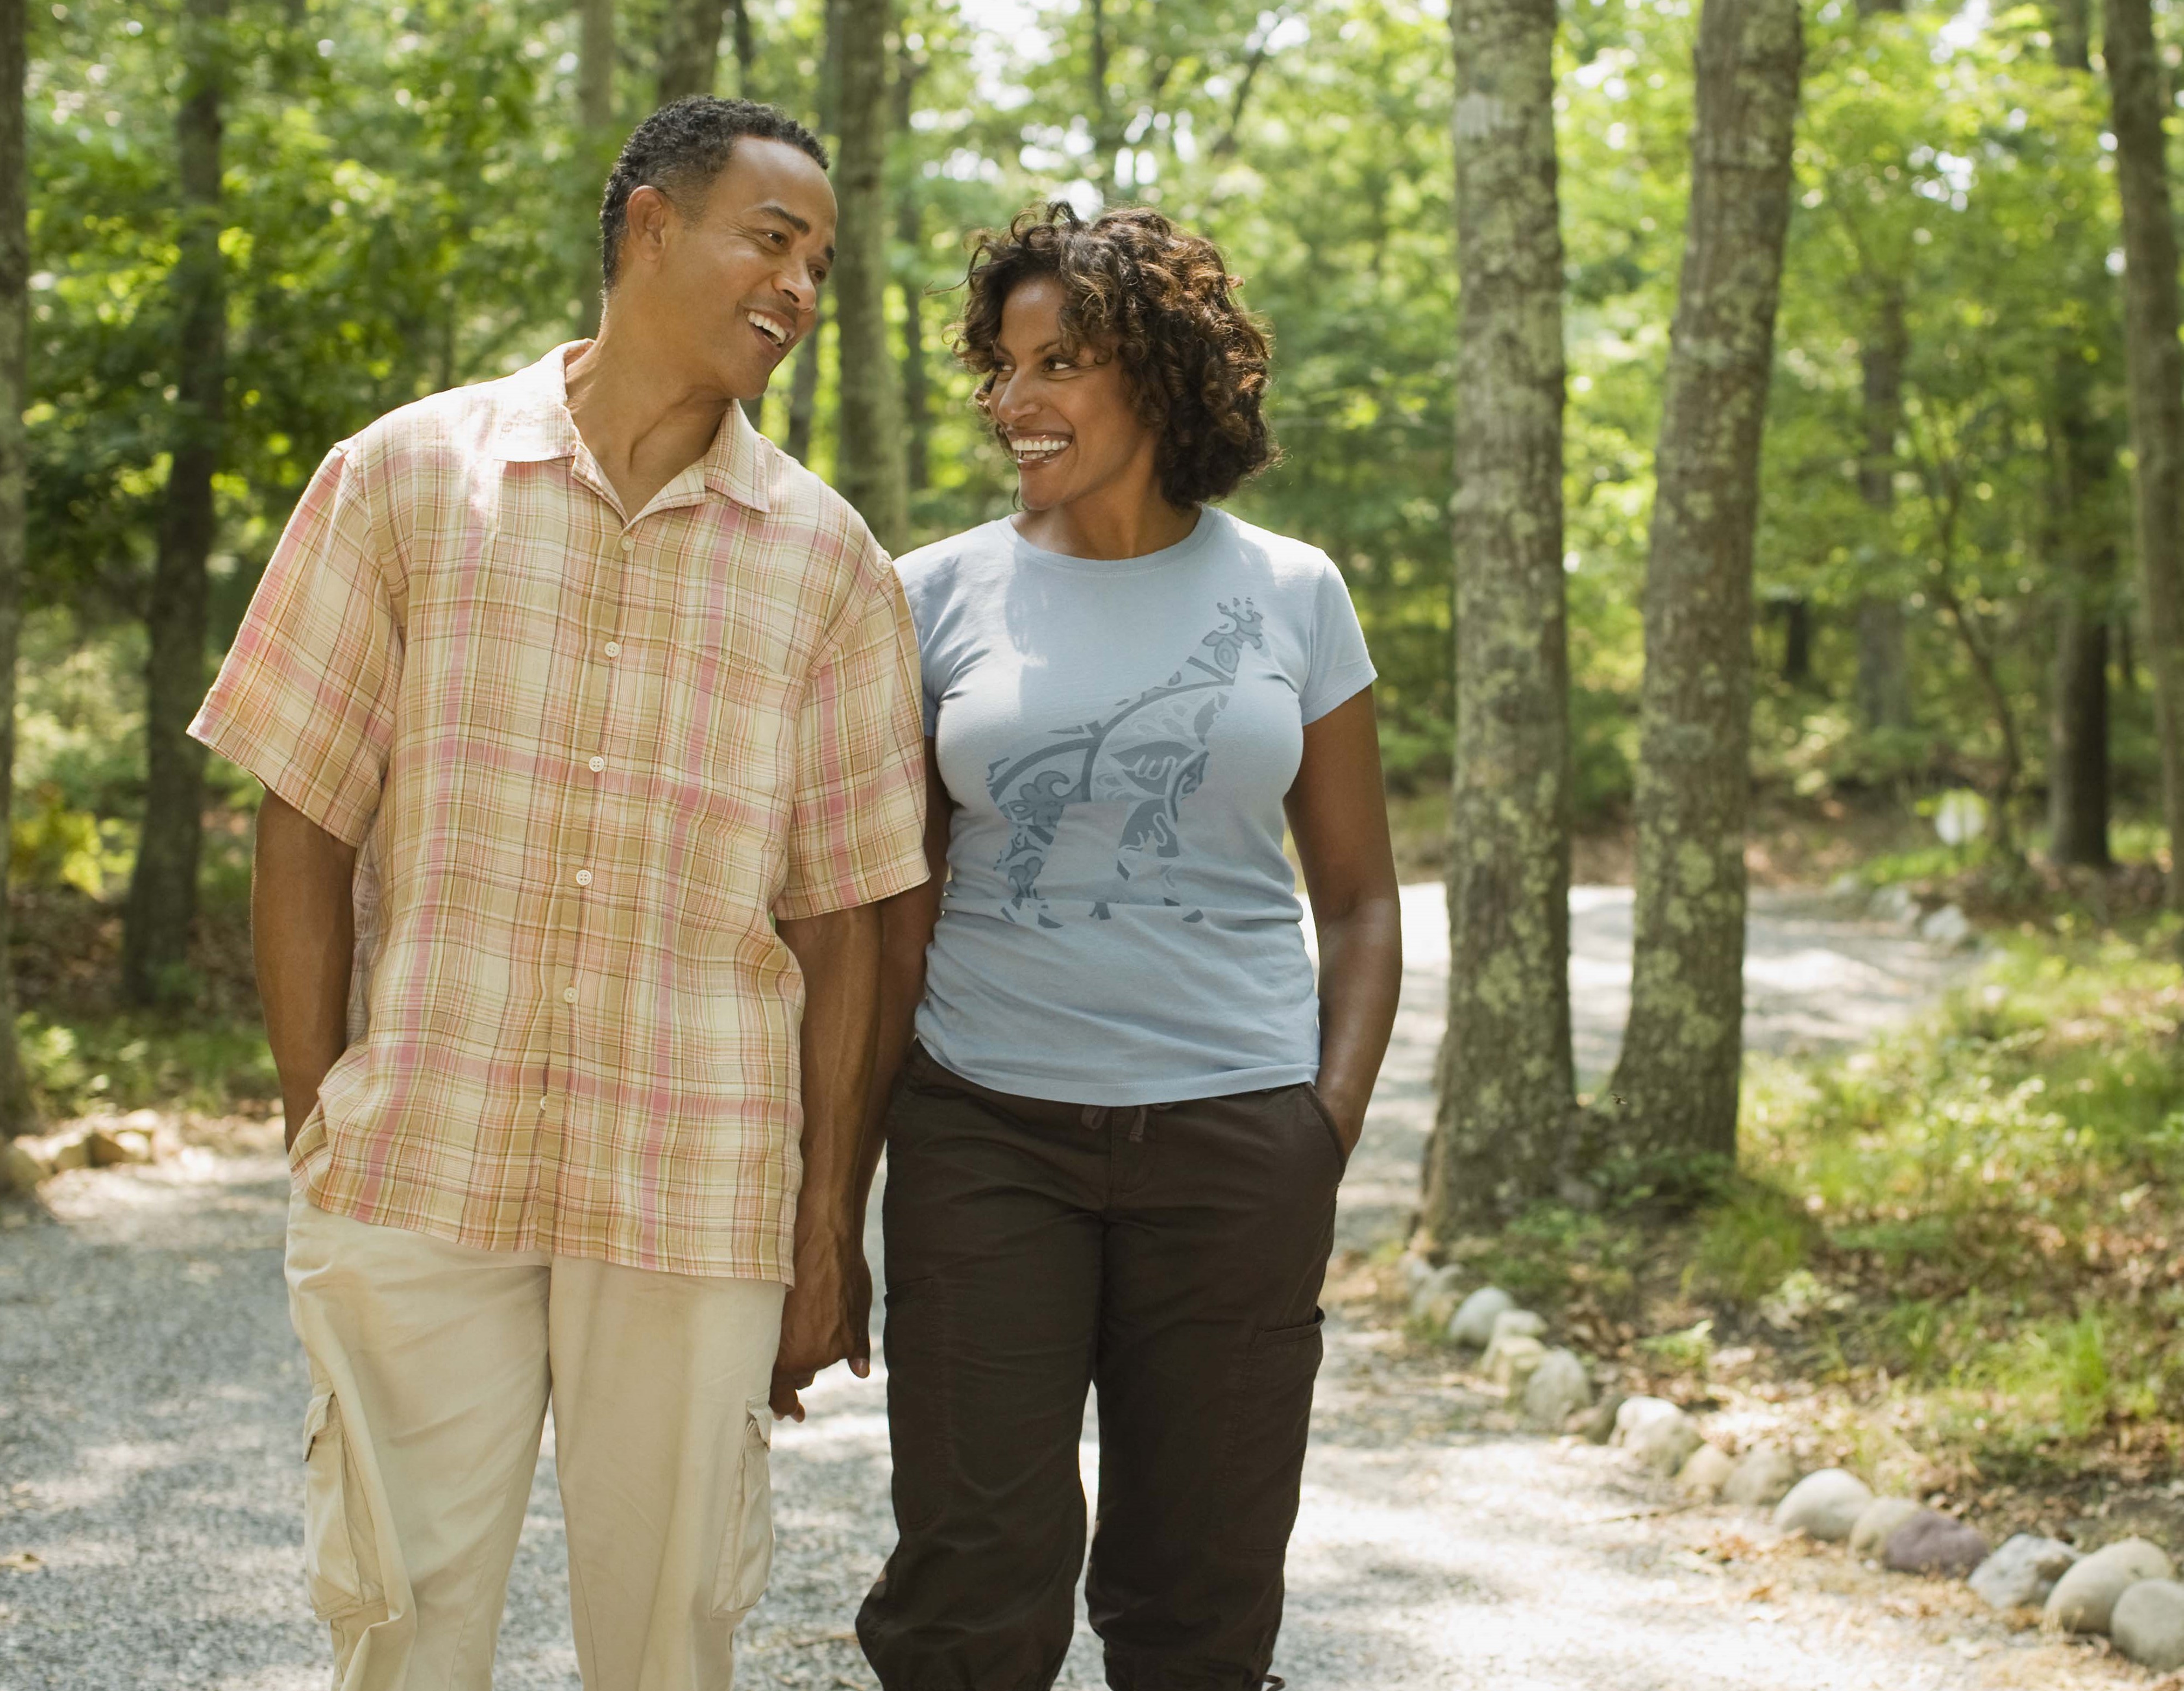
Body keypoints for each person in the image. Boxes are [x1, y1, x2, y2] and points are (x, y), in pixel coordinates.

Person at [189, 98, 928, 1691]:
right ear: (650, 226)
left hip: (696, 1176)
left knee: (669, 1640)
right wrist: (320, 1116)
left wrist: (821, 1221)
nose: (800, 288)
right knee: (399, 1622)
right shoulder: (397, 479)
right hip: (421, 1159)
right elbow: (303, 815)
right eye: (772, 239)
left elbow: (845, 915)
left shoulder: (830, 563)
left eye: (821, 263)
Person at [854, 203, 1404, 1690]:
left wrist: (1318, 1130)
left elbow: (1356, 895)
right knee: (969, 1576)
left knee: (1201, 1590)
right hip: (984, 1131)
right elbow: (889, 906)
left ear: (1160, 375)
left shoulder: (1290, 591)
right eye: (1001, 365)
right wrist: (839, 1173)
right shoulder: (927, 593)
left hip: (1234, 1138)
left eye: (1059, 363)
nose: (1012, 402)